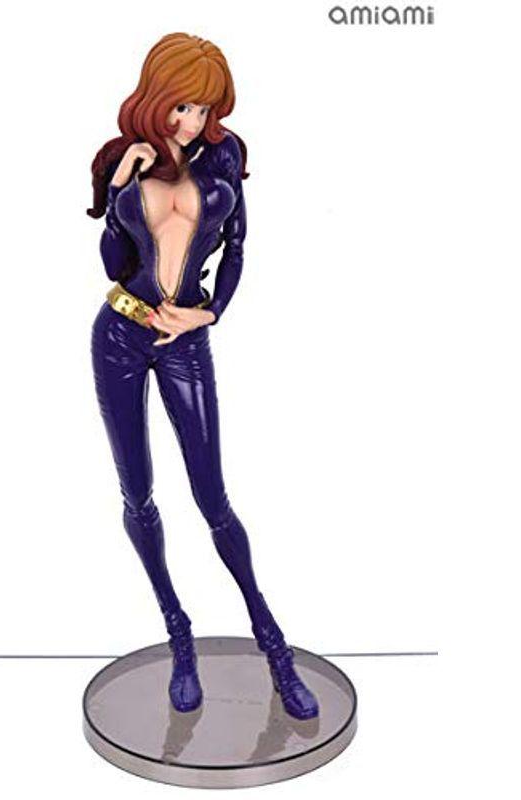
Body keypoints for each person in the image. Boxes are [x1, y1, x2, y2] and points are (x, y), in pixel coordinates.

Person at [87, 32, 318, 720]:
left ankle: (274, 647)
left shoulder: (222, 159)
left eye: (204, 108)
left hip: (183, 341)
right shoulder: (129, 159)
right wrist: (120, 184)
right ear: (156, 97)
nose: (192, 121)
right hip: (120, 335)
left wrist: (208, 312)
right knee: (137, 495)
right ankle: (178, 634)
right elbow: (113, 262)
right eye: (182, 105)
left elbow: (238, 247)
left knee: (213, 500)